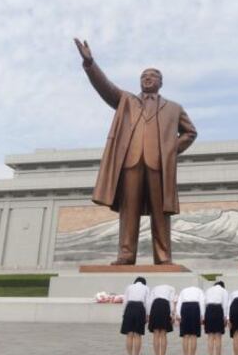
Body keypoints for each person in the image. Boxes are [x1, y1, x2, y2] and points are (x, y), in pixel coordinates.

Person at [74, 38, 198, 265]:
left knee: (161, 213)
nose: (147, 78)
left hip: (158, 165)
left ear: (160, 82)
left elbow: (190, 132)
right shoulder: (126, 101)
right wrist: (90, 63)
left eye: (152, 76)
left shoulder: (173, 108)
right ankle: (126, 254)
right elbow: (105, 87)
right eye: (143, 76)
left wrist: (170, 150)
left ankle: (162, 257)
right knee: (128, 211)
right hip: (130, 163)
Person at [120, 277, 151, 355]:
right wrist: (148, 315)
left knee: (129, 334)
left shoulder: (129, 287)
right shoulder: (146, 288)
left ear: (135, 282)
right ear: (144, 283)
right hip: (140, 308)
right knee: (138, 334)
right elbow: (147, 302)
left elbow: (125, 301)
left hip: (129, 308)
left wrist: (123, 313)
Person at [176, 285, 206, 355]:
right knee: (193, 335)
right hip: (195, 309)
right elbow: (202, 303)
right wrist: (202, 316)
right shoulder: (199, 290)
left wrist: (178, 314)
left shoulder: (183, 290)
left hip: (184, 308)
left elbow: (179, 302)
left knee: (185, 335)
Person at [148, 283, 176, 355]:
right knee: (163, 333)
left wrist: (149, 314)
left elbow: (150, 301)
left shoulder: (155, 287)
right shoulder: (171, 288)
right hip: (165, 305)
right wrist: (171, 315)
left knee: (156, 333)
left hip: (155, 305)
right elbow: (171, 301)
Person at [203, 281, 229, 355]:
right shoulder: (223, 291)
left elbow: (204, 303)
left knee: (210, 336)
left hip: (209, 310)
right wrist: (225, 317)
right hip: (218, 310)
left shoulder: (208, 290)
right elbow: (225, 305)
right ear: (223, 286)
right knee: (218, 336)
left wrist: (203, 316)